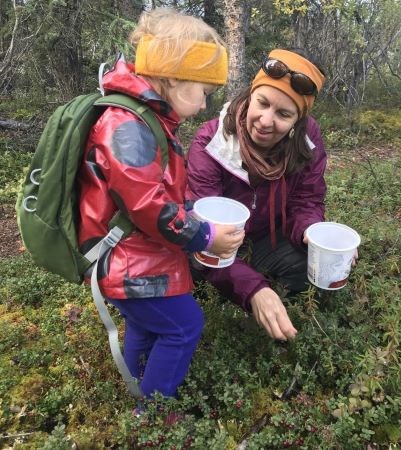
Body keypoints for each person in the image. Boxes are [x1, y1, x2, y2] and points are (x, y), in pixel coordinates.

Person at [77, 8, 244, 400]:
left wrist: (189, 210)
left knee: (146, 327)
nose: (204, 106)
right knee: (184, 326)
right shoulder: (128, 127)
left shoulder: (146, 120)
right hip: (128, 262)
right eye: (203, 92)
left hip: (132, 256)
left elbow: (158, 189)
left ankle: (135, 390)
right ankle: (152, 419)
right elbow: (147, 205)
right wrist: (204, 235)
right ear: (172, 77)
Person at [187, 48, 327, 342]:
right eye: (262, 103)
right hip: (212, 242)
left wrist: (312, 232)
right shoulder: (210, 144)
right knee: (195, 266)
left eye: (283, 114)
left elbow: (307, 201)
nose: (265, 121)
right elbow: (207, 233)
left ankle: (269, 310)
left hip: (264, 239)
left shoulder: (307, 141)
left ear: (297, 121)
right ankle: (225, 296)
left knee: (312, 264)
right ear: (251, 96)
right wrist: (255, 290)